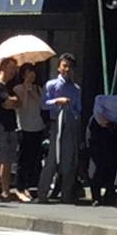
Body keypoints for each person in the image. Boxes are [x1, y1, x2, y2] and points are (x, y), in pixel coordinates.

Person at [38, 52, 82, 204]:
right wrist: (57, 101)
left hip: (70, 125)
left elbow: (78, 108)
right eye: (64, 66)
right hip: (55, 124)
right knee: (51, 160)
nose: (67, 69)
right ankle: (42, 194)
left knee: (69, 160)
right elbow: (43, 103)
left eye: (70, 67)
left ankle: (66, 194)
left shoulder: (76, 88)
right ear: (59, 67)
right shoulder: (51, 85)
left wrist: (74, 113)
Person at [0, 58, 20, 202]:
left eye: (15, 68)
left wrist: (13, 101)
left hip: (11, 127)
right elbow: (8, 103)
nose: (13, 71)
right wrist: (12, 101)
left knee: (7, 162)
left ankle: (6, 191)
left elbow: (18, 103)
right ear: (3, 67)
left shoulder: (8, 86)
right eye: (11, 67)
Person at [13, 63, 45, 201]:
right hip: (24, 127)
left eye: (33, 72)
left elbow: (42, 104)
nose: (32, 75)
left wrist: (33, 92)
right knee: (23, 159)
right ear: (23, 75)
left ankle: (32, 186)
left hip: (37, 126)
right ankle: (20, 187)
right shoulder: (18, 88)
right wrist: (26, 90)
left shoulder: (38, 88)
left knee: (35, 158)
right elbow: (22, 105)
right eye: (28, 72)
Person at [88, 94, 117, 207]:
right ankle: (96, 196)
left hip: (114, 130)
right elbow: (99, 117)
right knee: (98, 166)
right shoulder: (99, 99)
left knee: (113, 164)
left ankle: (110, 194)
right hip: (99, 134)